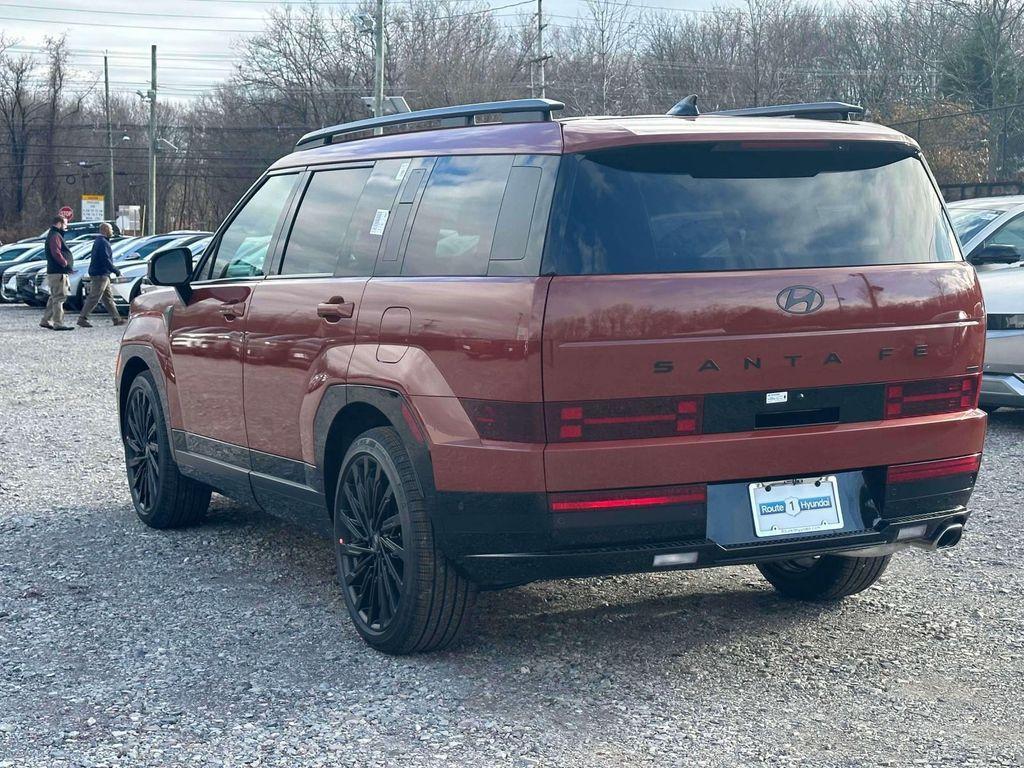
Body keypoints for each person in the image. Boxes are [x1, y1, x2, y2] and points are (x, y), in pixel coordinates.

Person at [77, 223, 125, 328]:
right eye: (111, 229)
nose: (112, 231)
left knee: (108, 298)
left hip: (103, 274)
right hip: (100, 274)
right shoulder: (103, 242)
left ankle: (117, 318)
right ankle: (82, 318)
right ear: (105, 230)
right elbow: (105, 260)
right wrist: (116, 271)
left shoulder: (99, 241)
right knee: (94, 296)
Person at [40, 215, 74, 331]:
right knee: (59, 298)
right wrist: (65, 263)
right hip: (58, 272)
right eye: (65, 224)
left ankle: (45, 320)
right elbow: (56, 252)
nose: (66, 226)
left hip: (54, 271)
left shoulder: (53, 234)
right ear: (59, 223)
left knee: (53, 297)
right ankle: (58, 323)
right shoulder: (55, 236)